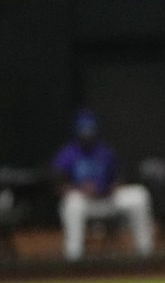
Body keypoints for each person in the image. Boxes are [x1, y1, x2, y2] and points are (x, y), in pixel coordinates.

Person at [51, 109, 154, 262]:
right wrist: (80, 189)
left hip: (108, 199)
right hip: (84, 202)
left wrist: (112, 186)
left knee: (139, 195)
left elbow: (119, 176)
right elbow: (56, 183)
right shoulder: (67, 154)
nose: (87, 135)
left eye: (90, 130)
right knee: (72, 203)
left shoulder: (105, 151)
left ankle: (145, 253)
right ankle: (73, 257)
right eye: (83, 131)